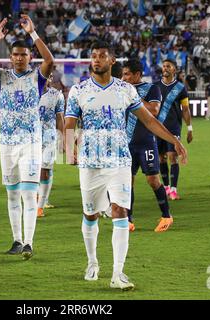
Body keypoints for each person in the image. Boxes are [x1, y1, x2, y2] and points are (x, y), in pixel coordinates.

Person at [64, 41, 187, 290]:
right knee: (91, 214)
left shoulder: (126, 90)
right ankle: (92, 262)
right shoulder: (78, 91)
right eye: (94, 56)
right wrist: (69, 151)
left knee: (120, 211)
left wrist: (174, 140)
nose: (97, 60)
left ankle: (118, 274)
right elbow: (68, 125)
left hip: (120, 160)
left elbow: (150, 121)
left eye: (102, 56)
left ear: (112, 61)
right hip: (90, 162)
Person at [0, 15, 54, 260]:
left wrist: (33, 33)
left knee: (29, 194)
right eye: (16, 54)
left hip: (31, 143)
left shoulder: (37, 77)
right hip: (7, 144)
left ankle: (29, 242)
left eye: (24, 54)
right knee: (11, 194)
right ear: (10, 57)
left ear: (29, 57)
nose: (20, 58)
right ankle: (16, 240)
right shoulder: (2, 77)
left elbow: (50, 60)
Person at [122, 59, 174, 233]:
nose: (123, 77)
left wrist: (134, 97)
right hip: (127, 143)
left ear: (137, 74)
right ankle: (128, 219)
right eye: (122, 74)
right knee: (128, 182)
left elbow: (153, 110)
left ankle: (166, 216)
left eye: (127, 74)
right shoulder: (121, 90)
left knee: (153, 180)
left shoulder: (152, 89)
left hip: (147, 143)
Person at [155, 59, 193, 201]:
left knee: (173, 157)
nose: (165, 68)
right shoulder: (155, 86)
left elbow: (185, 109)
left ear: (174, 70)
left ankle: (174, 190)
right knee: (161, 158)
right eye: (164, 66)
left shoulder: (180, 88)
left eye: (168, 66)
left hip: (173, 127)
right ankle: (165, 188)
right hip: (157, 127)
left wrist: (190, 128)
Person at [37, 75, 65, 218]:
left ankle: (40, 206)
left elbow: (60, 119)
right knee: (32, 171)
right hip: (31, 139)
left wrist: (64, 139)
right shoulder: (28, 94)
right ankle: (37, 198)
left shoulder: (56, 95)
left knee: (45, 171)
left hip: (49, 138)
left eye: (49, 76)